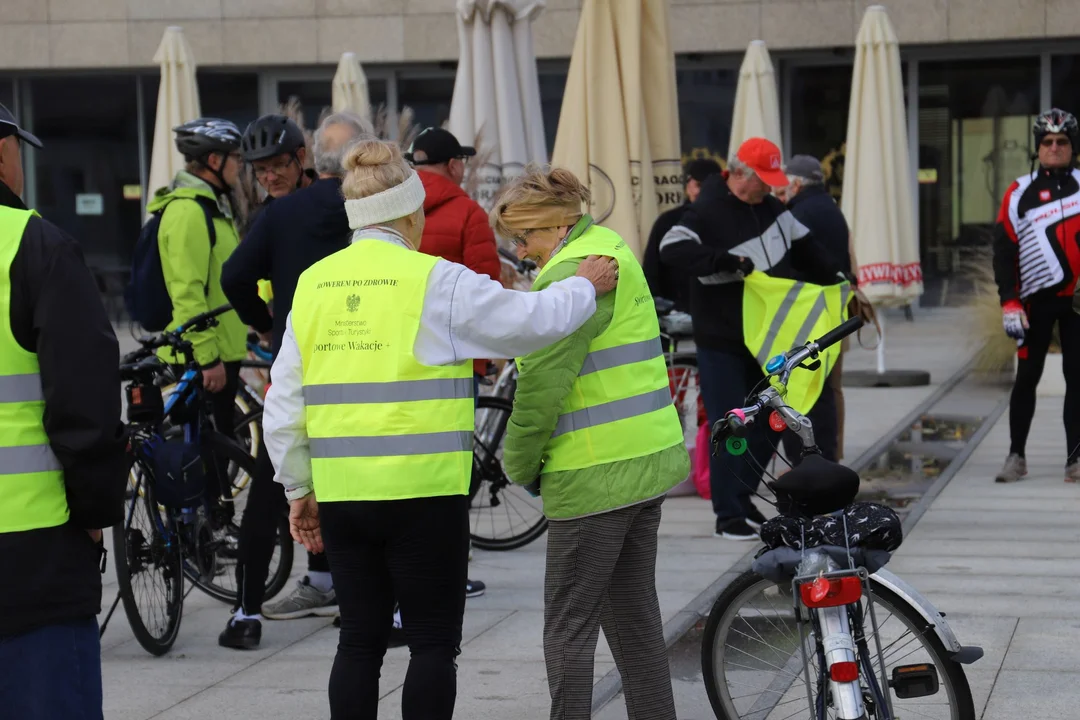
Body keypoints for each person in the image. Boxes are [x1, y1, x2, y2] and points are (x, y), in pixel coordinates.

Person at [262, 138, 618, 720]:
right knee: (431, 644)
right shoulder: (438, 281)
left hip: (346, 494)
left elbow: (285, 401)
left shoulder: (313, 284)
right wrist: (586, 285)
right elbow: (529, 323)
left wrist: (298, 489)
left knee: (358, 641)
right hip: (425, 494)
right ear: (410, 211)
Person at [494, 167, 689, 720]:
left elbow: (540, 387)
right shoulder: (610, 248)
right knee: (634, 620)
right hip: (645, 462)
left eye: (523, 236)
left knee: (568, 627)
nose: (519, 250)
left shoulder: (569, 277)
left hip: (593, 472)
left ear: (555, 226)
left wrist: (519, 462)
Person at [218, 113, 371, 649]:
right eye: (258, 170)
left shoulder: (280, 217)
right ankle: (375, 605)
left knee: (273, 487)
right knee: (359, 485)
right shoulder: (365, 210)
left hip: (301, 365)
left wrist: (264, 322)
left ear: (305, 159)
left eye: (276, 166)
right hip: (362, 361)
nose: (268, 177)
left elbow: (234, 276)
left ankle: (245, 613)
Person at [0, 103, 127, 719]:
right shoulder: (35, 246)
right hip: (32, 550)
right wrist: (96, 509)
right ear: (2, 155)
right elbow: (85, 399)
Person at [659, 137, 843, 540]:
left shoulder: (773, 208)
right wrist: (723, 262)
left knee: (772, 421)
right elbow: (670, 248)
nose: (772, 188)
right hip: (721, 340)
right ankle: (727, 514)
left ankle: (743, 499)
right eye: (764, 179)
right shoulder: (706, 209)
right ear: (740, 174)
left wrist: (840, 280)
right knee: (734, 428)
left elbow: (808, 248)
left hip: (766, 338)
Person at [406, 126, 501, 599]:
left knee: (412, 469)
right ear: (456, 166)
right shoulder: (468, 213)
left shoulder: (395, 213)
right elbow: (484, 296)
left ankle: (410, 567)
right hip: (455, 362)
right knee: (452, 472)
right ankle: (450, 571)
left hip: (401, 363)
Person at [150, 118, 249, 513]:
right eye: (236, 158)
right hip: (203, 358)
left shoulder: (212, 206)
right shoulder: (190, 212)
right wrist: (207, 356)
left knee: (217, 453)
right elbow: (187, 293)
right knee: (205, 456)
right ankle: (199, 539)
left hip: (222, 350)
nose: (240, 166)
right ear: (212, 159)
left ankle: (211, 531)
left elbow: (220, 283)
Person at [993, 108, 1080, 483]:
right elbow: (1003, 249)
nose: (1055, 148)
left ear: (1073, 147)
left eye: (1062, 142)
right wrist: (1008, 300)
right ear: (1037, 147)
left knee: (1077, 379)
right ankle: (1016, 456)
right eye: (1048, 142)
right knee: (1027, 377)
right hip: (1033, 302)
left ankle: (1075, 459)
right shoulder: (1018, 191)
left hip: (1078, 302)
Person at [778, 154, 852, 463]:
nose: (781, 191)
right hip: (835, 311)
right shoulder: (832, 209)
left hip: (809, 315)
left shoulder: (799, 214)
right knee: (830, 389)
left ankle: (814, 460)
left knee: (808, 392)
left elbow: (791, 266)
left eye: (784, 185)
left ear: (796, 183)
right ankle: (832, 456)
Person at [643, 157, 722, 311]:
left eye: (710, 187)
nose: (703, 193)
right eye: (699, 185)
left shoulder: (728, 220)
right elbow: (651, 272)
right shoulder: (666, 222)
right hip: (677, 316)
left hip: (719, 315)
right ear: (688, 185)